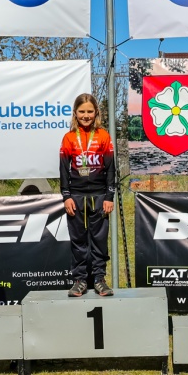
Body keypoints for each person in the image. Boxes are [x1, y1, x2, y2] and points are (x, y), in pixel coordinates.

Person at [60, 93, 116, 297]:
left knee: (100, 240)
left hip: (99, 196)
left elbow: (110, 169)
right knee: (78, 241)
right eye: (82, 111)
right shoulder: (68, 138)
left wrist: (109, 197)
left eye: (90, 111)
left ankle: (99, 279)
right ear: (75, 113)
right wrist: (66, 196)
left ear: (96, 112)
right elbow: (63, 169)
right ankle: (80, 280)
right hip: (76, 196)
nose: (86, 115)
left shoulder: (103, 136)